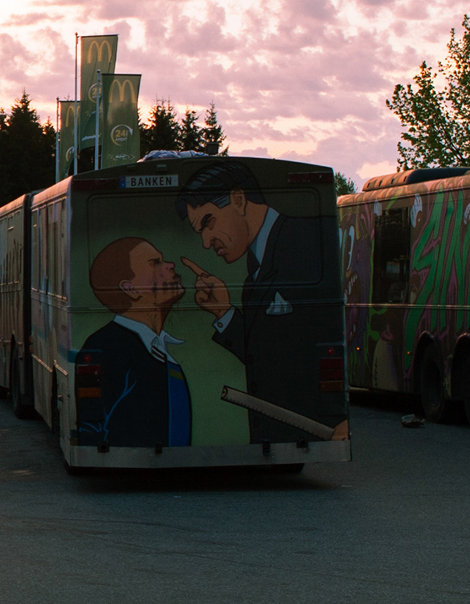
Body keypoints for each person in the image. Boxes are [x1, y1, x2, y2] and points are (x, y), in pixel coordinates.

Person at [175, 162, 350, 442]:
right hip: (280, 435)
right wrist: (223, 311)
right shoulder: (252, 277)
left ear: (239, 200)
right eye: (201, 233)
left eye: (208, 222)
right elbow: (268, 353)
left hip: (310, 430)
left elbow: (320, 338)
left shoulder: (305, 240)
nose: (207, 242)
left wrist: (336, 417)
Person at [77, 237, 193, 448]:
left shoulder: (160, 348)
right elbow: (91, 423)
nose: (170, 265)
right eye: (155, 263)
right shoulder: (107, 346)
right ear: (131, 289)